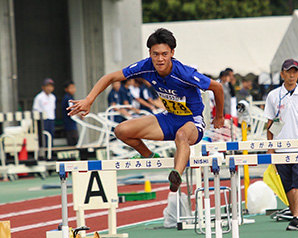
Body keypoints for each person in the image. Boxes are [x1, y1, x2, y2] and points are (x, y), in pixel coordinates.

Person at [67, 28, 224, 192]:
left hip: (192, 122)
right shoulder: (146, 66)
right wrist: (89, 99)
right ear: (149, 53)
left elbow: (217, 87)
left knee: (181, 136)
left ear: (172, 52)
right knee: (121, 130)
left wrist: (219, 116)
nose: (160, 59)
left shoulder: (184, 73)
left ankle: (176, 175)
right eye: (155, 54)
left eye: (164, 54)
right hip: (168, 118)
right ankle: (148, 155)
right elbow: (111, 77)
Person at [264, 59, 298, 231]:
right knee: (288, 185)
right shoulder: (273, 96)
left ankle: (296, 217)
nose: (292, 75)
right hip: (281, 148)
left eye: (295, 71)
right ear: (282, 74)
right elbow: (270, 123)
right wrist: (271, 146)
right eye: (289, 71)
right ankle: (295, 216)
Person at [32, 78, 56, 147]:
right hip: (43, 120)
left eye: (51, 86)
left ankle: (51, 151)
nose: (49, 88)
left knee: (51, 135)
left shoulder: (53, 97)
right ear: (43, 87)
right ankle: (44, 151)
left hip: (51, 119)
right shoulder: (39, 97)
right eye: (47, 86)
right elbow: (35, 109)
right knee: (43, 136)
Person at [61, 81, 79, 146]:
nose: (73, 89)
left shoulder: (70, 97)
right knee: (72, 141)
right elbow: (72, 109)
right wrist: (79, 114)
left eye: (73, 87)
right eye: (71, 88)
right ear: (66, 89)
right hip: (69, 124)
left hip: (72, 124)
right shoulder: (68, 98)